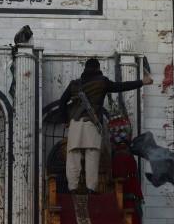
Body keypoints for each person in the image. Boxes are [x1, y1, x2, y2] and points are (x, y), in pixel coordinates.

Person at [58, 58, 153, 193]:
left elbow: (62, 101)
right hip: (92, 124)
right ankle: (91, 188)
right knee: (92, 155)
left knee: (73, 156)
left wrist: (64, 120)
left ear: (85, 68)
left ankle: (72, 188)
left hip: (75, 124)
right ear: (98, 68)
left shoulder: (74, 84)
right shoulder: (102, 82)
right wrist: (142, 82)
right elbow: (121, 86)